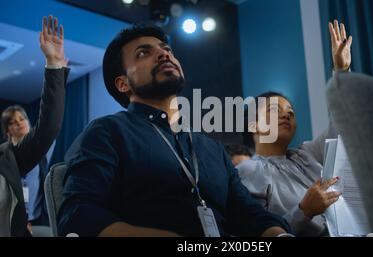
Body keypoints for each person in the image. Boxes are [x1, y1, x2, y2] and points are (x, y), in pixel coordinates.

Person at [58, 24, 291, 237]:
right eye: (143, 53)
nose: (164, 54)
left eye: (166, 48)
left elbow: (249, 213)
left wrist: (279, 235)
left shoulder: (211, 149)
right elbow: (79, 215)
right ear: (123, 83)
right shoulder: (107, 132)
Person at [237, 21, 351, 236]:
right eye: (273, 109)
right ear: (252, 124)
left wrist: (341, 72)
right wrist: (303, 212)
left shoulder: (308, 154)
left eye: (291, 110)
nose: (286, 113)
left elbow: (342, 123)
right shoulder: (246, 172)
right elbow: (254, 233)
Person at [0, 15, 69, 237]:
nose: (20, 124)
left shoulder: (9, 157)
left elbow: (47, 127)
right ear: (7, 129)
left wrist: (55, 66)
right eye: (14, 121)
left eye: (22, 119)